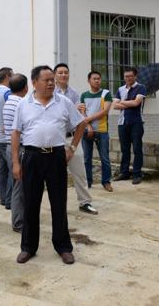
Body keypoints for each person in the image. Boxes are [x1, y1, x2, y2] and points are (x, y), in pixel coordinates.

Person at [12, 66, 87, 265]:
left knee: (59, 203)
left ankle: (63, 247)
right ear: (34, 83)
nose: (51, 83)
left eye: (52, 79)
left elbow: (81, 123)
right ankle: (28, 247)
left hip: (56, 157)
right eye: (46, 80)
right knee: (30, 203)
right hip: (32, 157)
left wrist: (72, 147)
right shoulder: (23, 104)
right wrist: (16, 162)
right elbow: (16, 133)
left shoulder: (64, 102)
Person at [54, 63, 98, 215]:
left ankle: (84, 202)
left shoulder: (73, 92)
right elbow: (61, 112)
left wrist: (73, 109)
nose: (63, 75)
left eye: (66, 72)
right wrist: (73, 108)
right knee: (57, 174)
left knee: (79, 171)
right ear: (55, 75)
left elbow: (79, 115)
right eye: (60, 72)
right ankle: (59, 205)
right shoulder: (50, 92)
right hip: (56, 139)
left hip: (73, 137)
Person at [80, 72, 114, 192]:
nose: (97, 81)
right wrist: (88, 125)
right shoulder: (84, 95)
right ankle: (88, 181)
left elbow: (105, 111)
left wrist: (88, 119)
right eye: (94, 79)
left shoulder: (106, 94)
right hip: (86, 129)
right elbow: (82, 113)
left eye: (99, 78)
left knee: (104, 158)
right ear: (88, 81)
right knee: (86, 158)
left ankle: (106, 182)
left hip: (102, 131)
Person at [3, 74, 29, 233]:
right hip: (19, 149)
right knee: (20, 188)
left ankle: (20, 219)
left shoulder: (9, 101)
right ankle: (19, 223)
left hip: (10, 147)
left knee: (16, 186)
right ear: (26, 87)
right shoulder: (21, 103)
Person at [113, 67, 147, 185]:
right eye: (126, 76)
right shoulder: (120, 89)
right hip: (122, 123)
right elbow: (115, 106)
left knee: (137, 149)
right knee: (125, 149)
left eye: (130, 76)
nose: (127, 78)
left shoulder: (141, 88)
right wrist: (128, 103)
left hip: (136, 122)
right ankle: (124, 173)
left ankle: (137, 174)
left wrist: (121, 102)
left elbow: (136, 103)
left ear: (135, 76)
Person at [0, 67, 14, 209]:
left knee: (2, 169)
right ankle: (10, 200)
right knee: (13, 168)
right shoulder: (7, 92)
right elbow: (11, 112)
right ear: (7, 77)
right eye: (13, 75)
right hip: (6, 138)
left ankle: (4, 198)